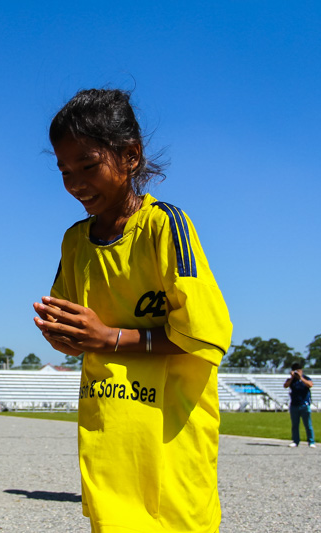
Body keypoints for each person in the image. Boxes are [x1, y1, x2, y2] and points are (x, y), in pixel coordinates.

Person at [33, 88, 232, 532]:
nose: (75, 182)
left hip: (169, 437)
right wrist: (63, 335)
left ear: (130, 156)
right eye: (65, 170)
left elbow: (204, 335)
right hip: (108, 436)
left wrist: (111, 338)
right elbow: (77, 328)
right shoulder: (75, 241)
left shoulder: (165, 227)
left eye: (88, 166)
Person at [284, 362, 315, 448]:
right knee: (295, 425)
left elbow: (310, 385)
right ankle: (295, 441)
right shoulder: (291, 380)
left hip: (304, 404)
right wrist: (292, 377)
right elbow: (285, 385)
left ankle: (311, 441)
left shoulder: (306, 378)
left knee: (308, 424)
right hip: (294, 405)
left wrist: (301, 377)